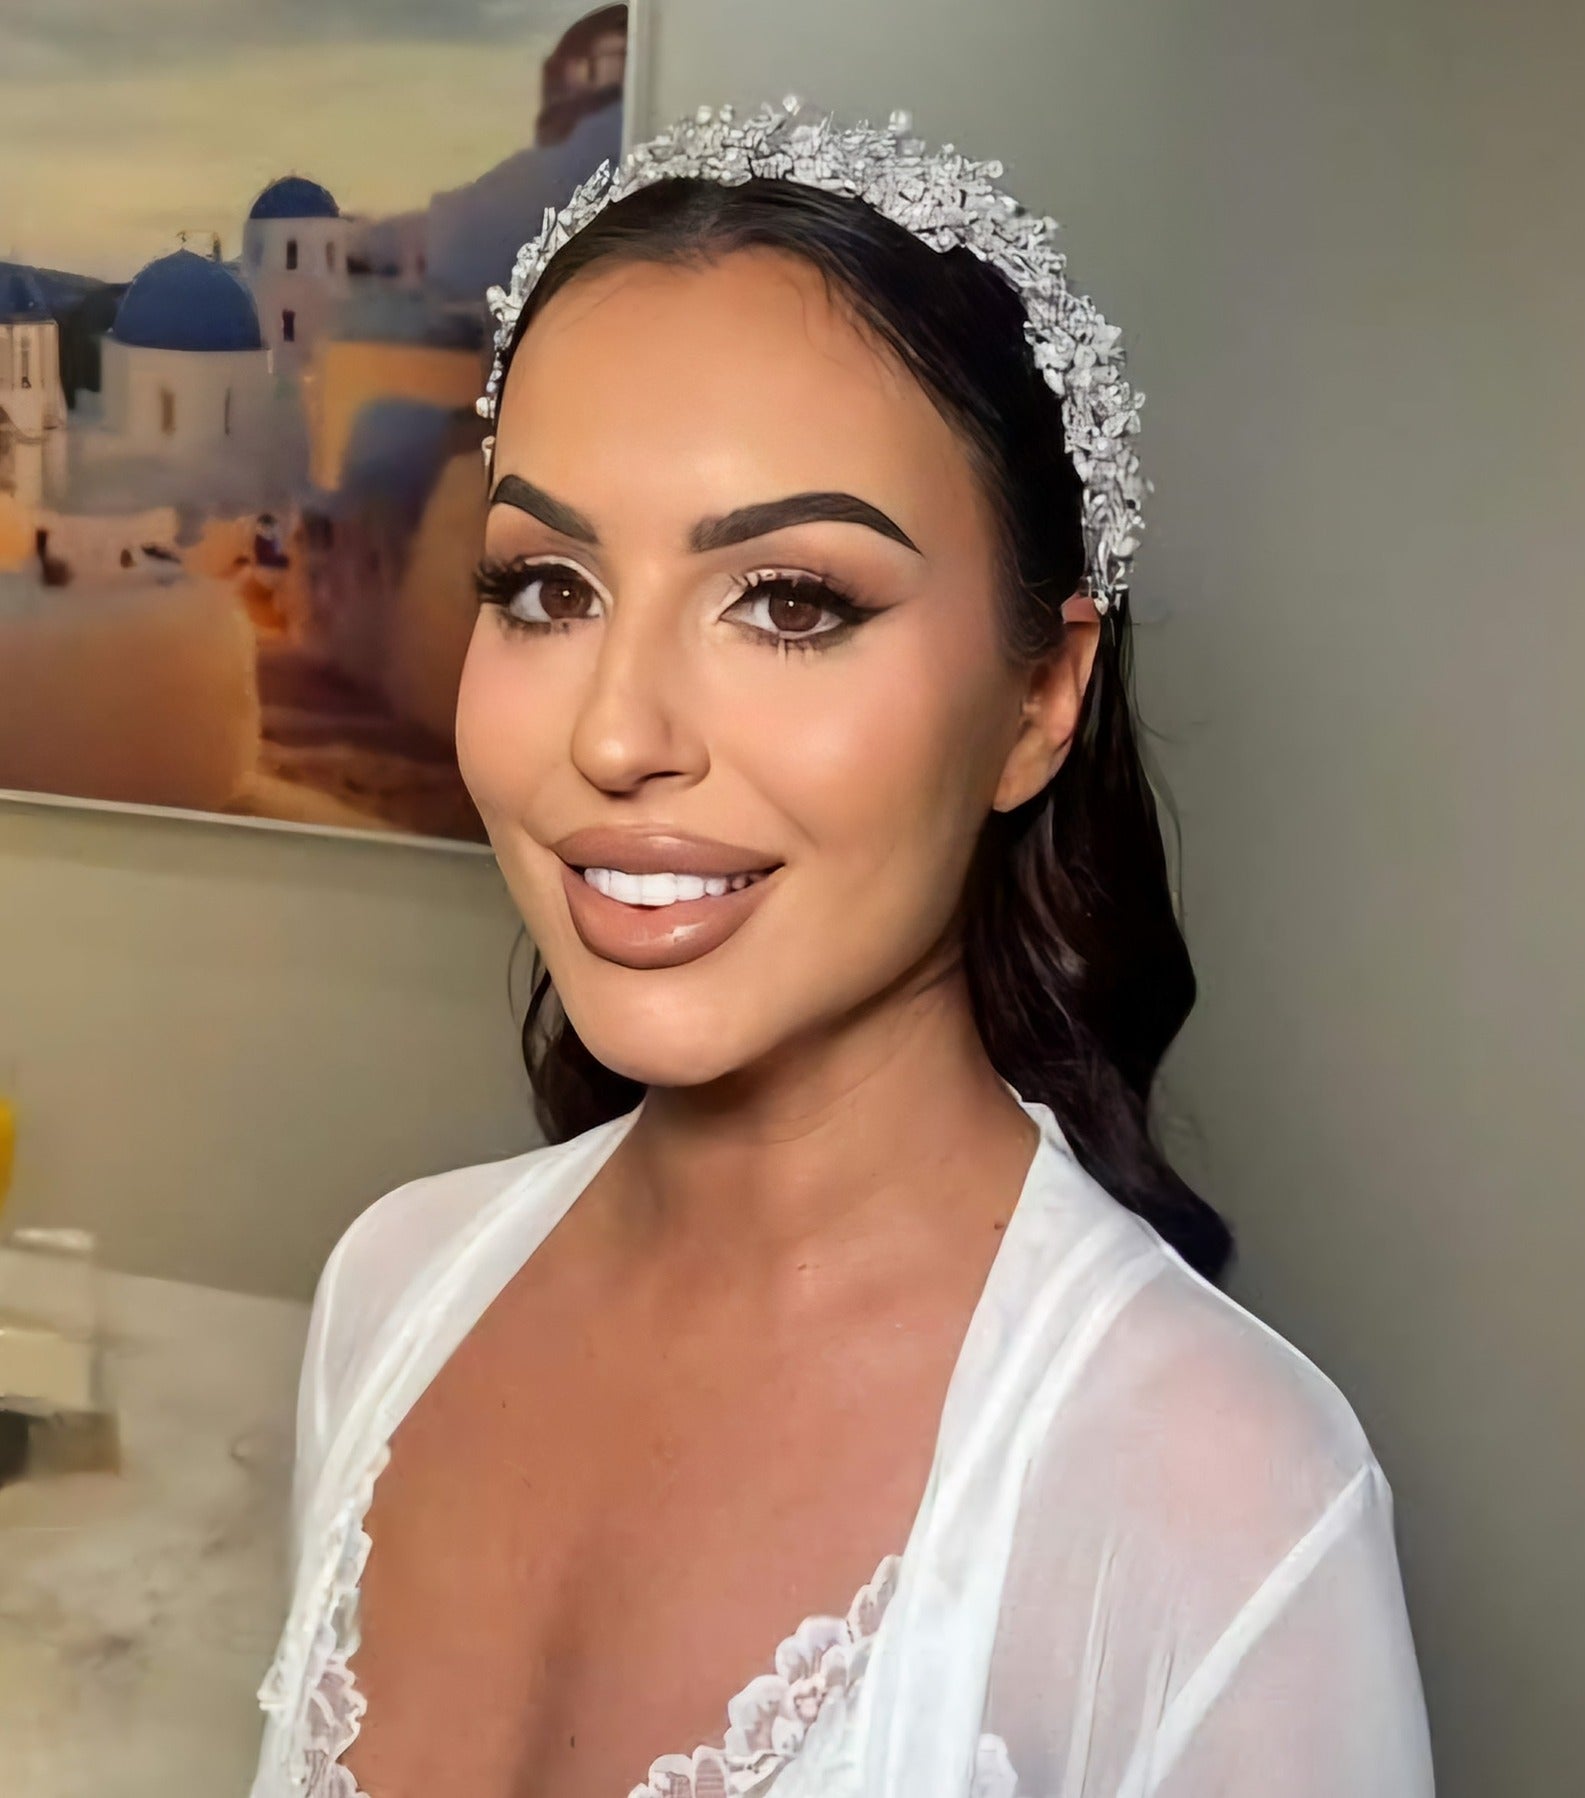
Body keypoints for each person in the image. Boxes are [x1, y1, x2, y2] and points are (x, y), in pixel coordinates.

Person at [252, 102, 1434, 1798]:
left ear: (1041, 696)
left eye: (789, 601)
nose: (615, 735)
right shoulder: (390, 1292)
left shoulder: (1216, 1497)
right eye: (545, 588)